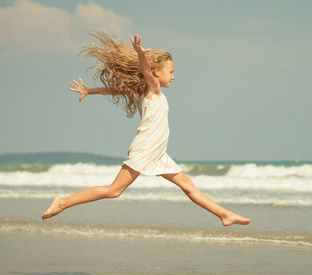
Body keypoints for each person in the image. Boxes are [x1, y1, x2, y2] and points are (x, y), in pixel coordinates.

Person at [42, 31, 250, 227]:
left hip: (157, 152)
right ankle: (63, 202)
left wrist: (91, 90)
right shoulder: (153, 89)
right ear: (157, 72)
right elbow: (144, 70)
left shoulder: (145, 89)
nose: (174, 77)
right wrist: (141, 55)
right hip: (146, 148)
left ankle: (224, 214)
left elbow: (117, 90)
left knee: (187, 185)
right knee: (114, 191)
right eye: (171, 72)